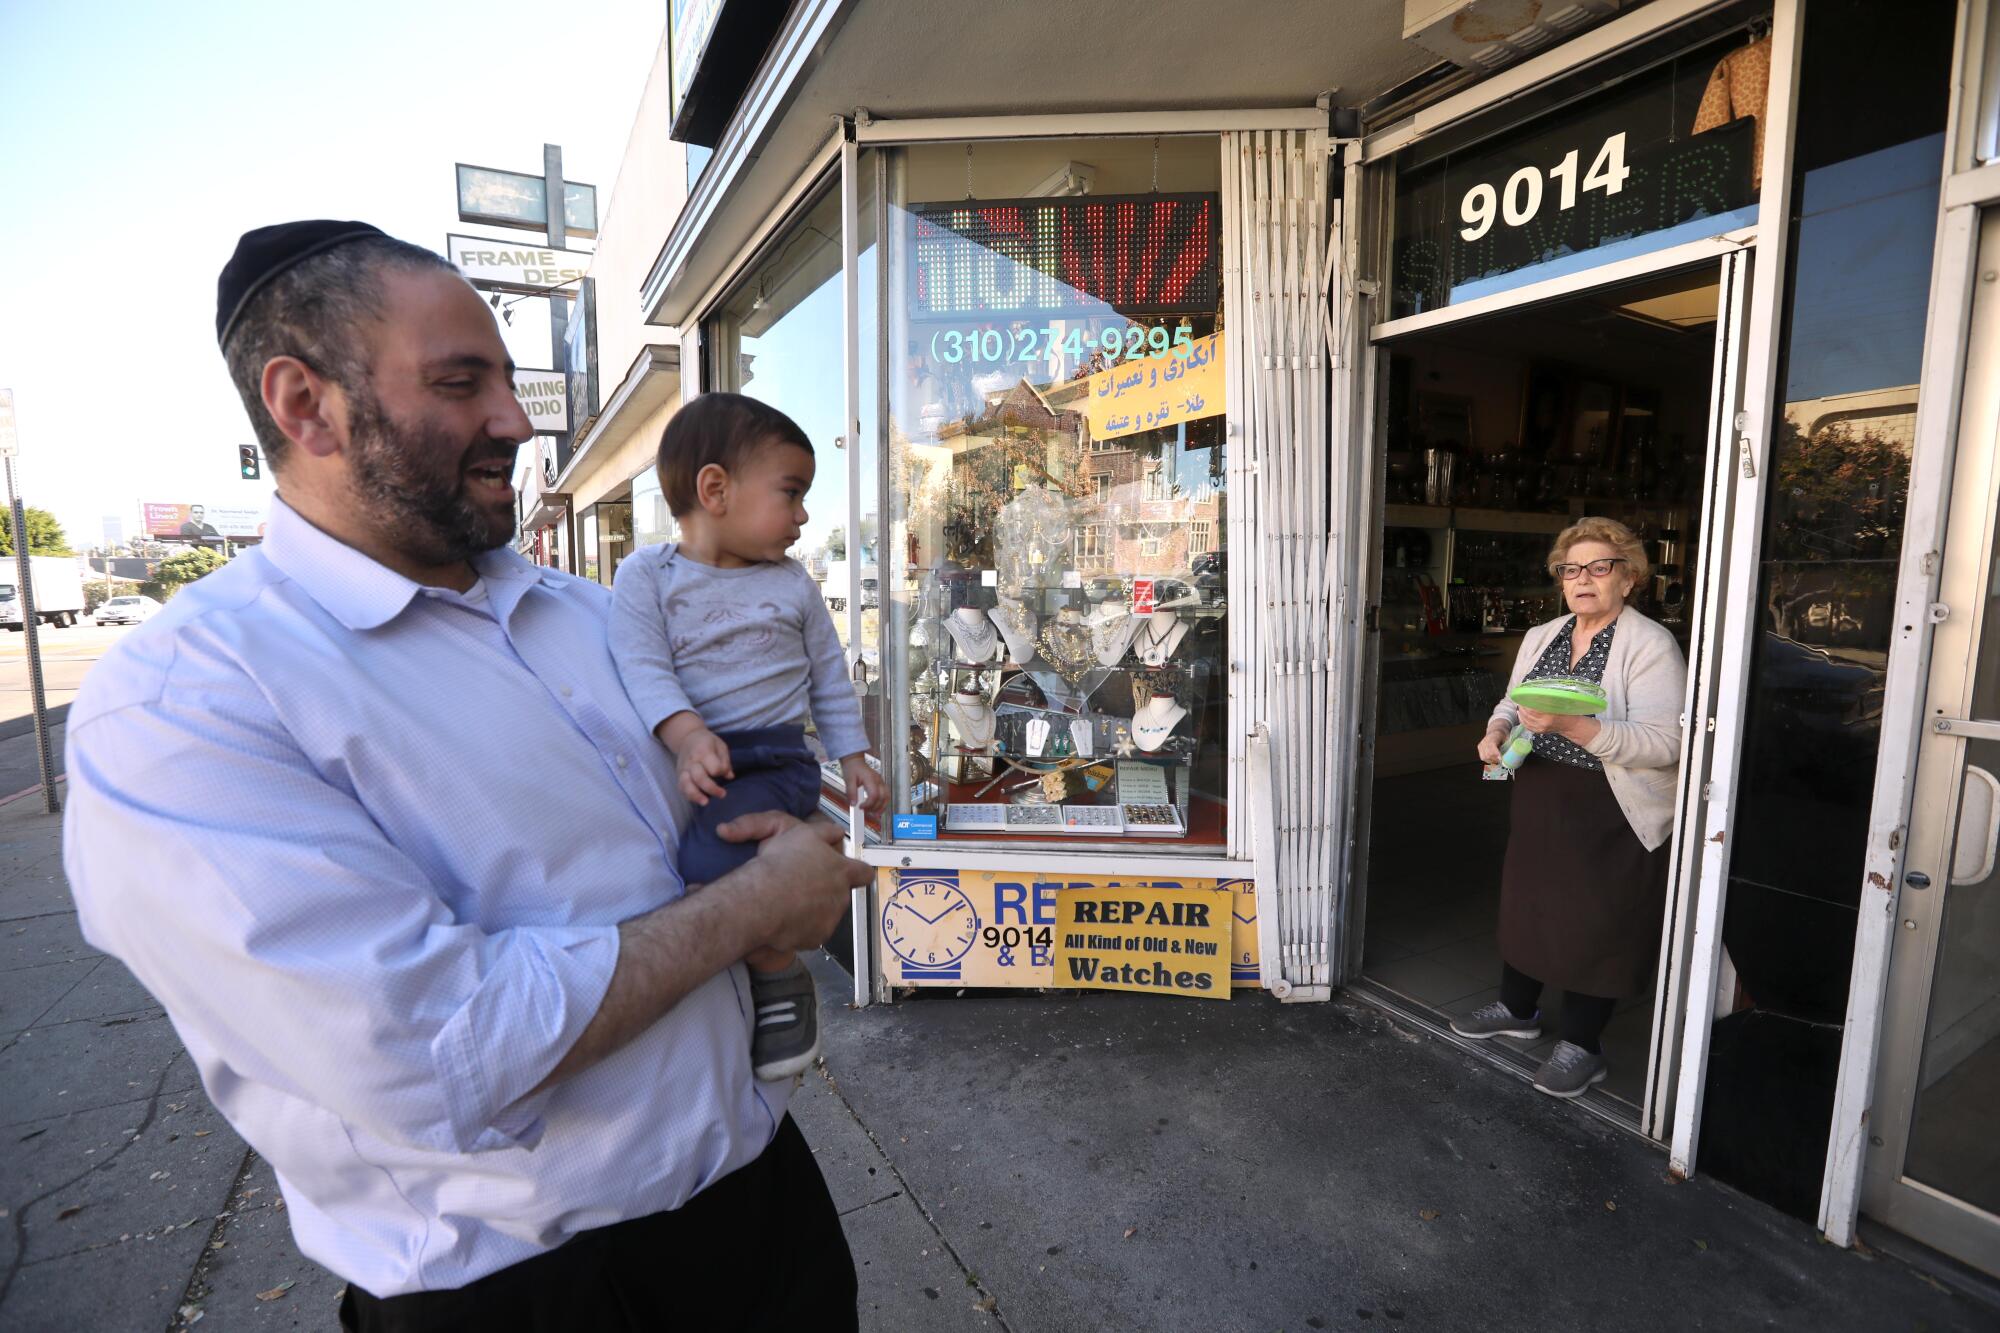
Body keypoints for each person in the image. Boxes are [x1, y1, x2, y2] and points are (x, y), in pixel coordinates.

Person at [62, 220, 873, 1330]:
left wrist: (801, 836)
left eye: (503, 376)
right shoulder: (185, 704)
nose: (517, 419)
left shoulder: (594, 617)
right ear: (304, 405)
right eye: (461, 382)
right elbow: (434, 1052)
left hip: (762, 1211)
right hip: (518, 1296)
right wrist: (752, 910)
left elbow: (747, 771)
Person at [610, 391, 886, 1081]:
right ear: (715, 489)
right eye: (791, 493)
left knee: (710, 865)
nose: (803, 515)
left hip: (773, 758)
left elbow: (829, 677)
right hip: (704, 750)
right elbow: (641, 663)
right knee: (696, 869)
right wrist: (686, 732)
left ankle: (776, 974)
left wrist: (853, 757)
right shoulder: (649, 576)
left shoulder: (793, 585)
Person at [1451, 517, 1687, 1099]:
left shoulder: (1651, 645)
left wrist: (1581, 729)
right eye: (1571, 569)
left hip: (1611, 803)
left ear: (1628, 578)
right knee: (1529, 900)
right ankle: (1518, 1009)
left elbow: (1668, 743)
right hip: (1543, 790)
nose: (1583, 579)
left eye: (1599, 567)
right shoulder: (1544, 634)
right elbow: (1514, 699)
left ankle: (1583, 1044)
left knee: (1597, 919)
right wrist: (1496, 730)